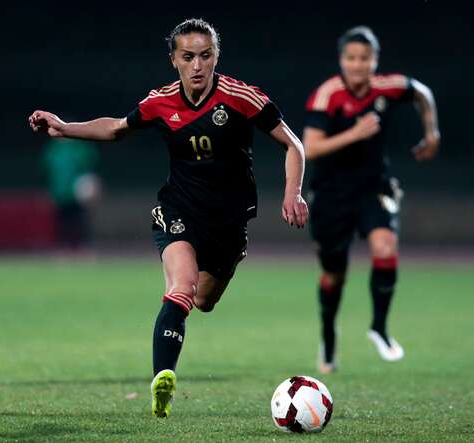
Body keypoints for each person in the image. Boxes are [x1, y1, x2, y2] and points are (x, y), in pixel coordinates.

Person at [29, 18, 308, 418]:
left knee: (203, 299)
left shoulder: (239, 97)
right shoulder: (160, 102)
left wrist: (293, 191)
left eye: (205, 56)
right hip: (178, 210)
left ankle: (178, 330)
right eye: (188, 56)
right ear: (174, 60)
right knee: (182, 286)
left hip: (228, 223)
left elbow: (293, 144)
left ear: (216, 58)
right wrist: (64, 127)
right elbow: (117, 129)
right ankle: (164, 379)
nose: (197, 66)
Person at [303, 26, 440, 374]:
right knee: (334, 275)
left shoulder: (386, 87)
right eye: (352, 58)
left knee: (384, 247)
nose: (358, 64)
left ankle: (379, 327)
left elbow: (421, 91)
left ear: (375, 61)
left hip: (372, 188)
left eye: (365, 58)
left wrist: (432, 131)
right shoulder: (327, 95)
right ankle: (328, 335)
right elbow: (311, 147)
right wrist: (354, 133)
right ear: (342, 61)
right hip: (331, 194)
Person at [41, 137, 101, 249]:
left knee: (79, 220)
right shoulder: (52, 149)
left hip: (77, 194)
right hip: (59, 193)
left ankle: (84, 245)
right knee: (63, 221)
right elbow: (46, 171)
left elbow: (89, 168)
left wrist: (92, 186)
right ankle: (64, 245)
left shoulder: (79, 147)